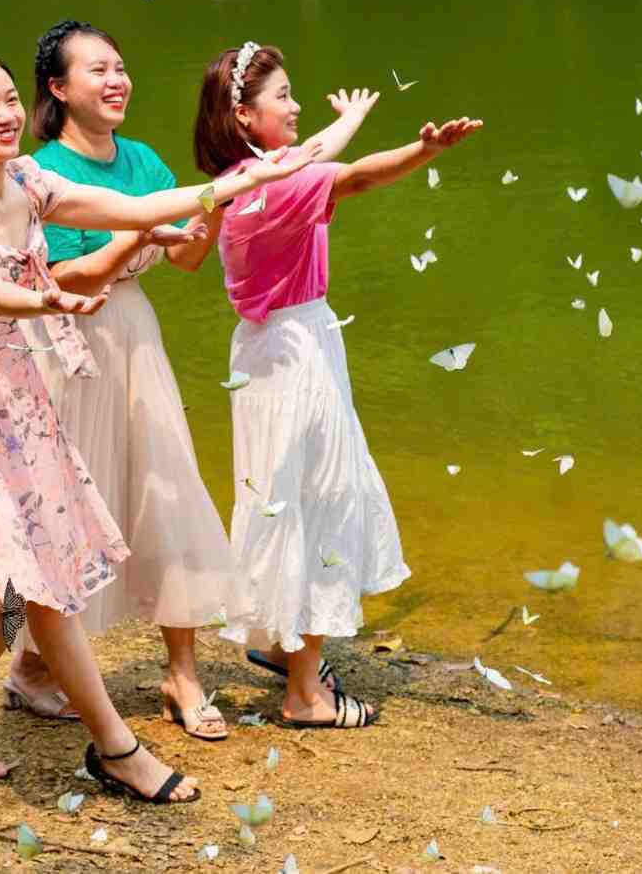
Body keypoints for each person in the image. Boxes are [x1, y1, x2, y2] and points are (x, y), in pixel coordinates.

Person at [0, 43, 309, 803]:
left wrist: (244, 179)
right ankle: (118, 748)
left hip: (21, 402)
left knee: (5, 586)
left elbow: (134, 210)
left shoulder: (26, 181)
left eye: (9, 100)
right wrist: (46, 298)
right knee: (38, 585)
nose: (5, 115)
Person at [192, 42, 482, 729]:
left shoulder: (241, 181)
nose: (295, 106)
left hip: (265, 350)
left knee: (277, 496)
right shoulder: (278, 186)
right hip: (298, 349)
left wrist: (353, 121)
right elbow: (352, 176)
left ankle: (279, 641)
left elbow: (319, 156)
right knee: (321, 498)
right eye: (283, 96)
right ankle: (305, 693)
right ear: (244, 115)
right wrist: (424, 151)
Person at [0, 21, 236, 740]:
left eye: (121, 67)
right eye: (97, 69)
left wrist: (218, 199)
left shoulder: (142, 160)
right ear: (58, 87)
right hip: (67, 340)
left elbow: (187, 258)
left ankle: (183, 674)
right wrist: (138, 233)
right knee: (66, 506)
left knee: (169, 485)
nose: (116, 80)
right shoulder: (38, 172)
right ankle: (29, 666)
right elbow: (66, 276)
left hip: (134, 334)